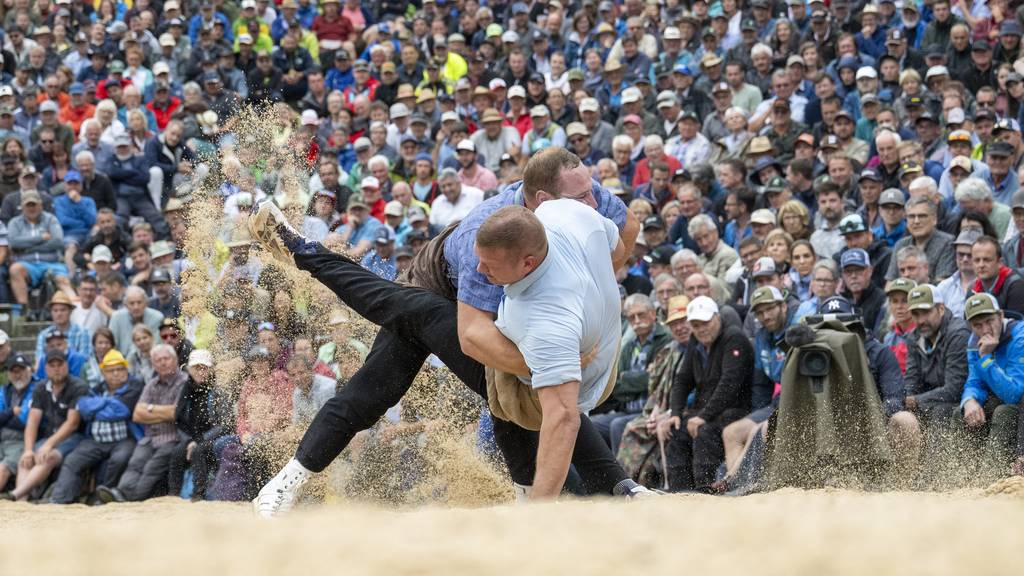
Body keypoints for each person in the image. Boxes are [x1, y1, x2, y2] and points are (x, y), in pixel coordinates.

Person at [247, 148, 644, 517]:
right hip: (440, 288)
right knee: (380, 387)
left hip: (508, 294)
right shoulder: (484, 250)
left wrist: (595, 273)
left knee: (519, 393)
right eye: (583, 201)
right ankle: (288, 480)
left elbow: (627, 227)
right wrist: (542, 362)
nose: (593, 206)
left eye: (591, 196)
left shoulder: (582, 200)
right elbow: (473, 334)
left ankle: (604, 487)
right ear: (543, 201)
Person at [659, 296, 754, 492]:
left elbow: (730, 384)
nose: (701, 328)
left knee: (704, 432)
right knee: (676, 431)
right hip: (706, 410)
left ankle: (706, 490)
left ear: (717, 318)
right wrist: (675, 413)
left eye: (705, 322)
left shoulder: (734, 338)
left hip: (735, 409)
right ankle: (681, 492)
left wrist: (703, 416)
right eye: (695, 324)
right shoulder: (696, 340)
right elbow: (683, 379)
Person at [48, 350, 143, 504]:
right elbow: (84, 410)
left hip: (124, 439)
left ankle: (103, 496)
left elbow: (122, 412)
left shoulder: (134, 386)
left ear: (126, 370)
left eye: (120, 369)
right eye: (111, 371)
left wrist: (98, 405)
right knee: (73, 460)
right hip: (95, 440)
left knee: (120, 458)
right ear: (103, 373)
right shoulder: (98, 389)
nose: (116, 374)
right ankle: (59, 499)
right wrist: (107, 403)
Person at [98, 345, 186, 503]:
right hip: (149, 438)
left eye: (166, 359)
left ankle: (130, 498)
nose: (163, 363)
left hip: (173, 437)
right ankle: (120, 492)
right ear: (153, 364)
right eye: (158, 360)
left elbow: (175, 413)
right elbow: (137, 415)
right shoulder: (151, 384)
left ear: (175, 360)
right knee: (135, 463)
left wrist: (150, 409)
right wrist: (163, 413)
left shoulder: (184, 382)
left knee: (151, 468)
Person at [1, 349, 88, 501]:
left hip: (74, 437)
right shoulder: (41, 387)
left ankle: (15, 495)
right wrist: (28, 450)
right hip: (48, 436)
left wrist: (48, 445)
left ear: (66, 366)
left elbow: (72, 424)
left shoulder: (78, 386)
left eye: (59, 364)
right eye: (52, 365)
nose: (56, 369)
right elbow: (32, 421)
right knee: (25, 459)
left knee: (48, 457)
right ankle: (22, 503)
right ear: (45, 368)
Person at [591, 293, 670, 453]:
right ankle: (595, 476)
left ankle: (621, 476)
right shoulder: (628, 347)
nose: (637, 321)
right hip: (626, 408)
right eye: (631, 317)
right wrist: (634, 379)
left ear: (653, 314)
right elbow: (615, 384)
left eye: (640, 315)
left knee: (618, 425)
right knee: (591, 425)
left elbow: (657, 380)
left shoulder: (665, 340)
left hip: (650, 410)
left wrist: (627, 378)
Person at [960, 293, 1024, 476]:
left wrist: (986, 359)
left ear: (1001, 315)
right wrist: (970, 400)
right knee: (963, 413)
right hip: (1002, 398)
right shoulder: (974, 342)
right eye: (977, 325)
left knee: (1003, 412)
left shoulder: (1020, 336)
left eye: (989, 321)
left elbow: (1015, 394)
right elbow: (974, 381)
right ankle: (961, 476)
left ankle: (988, 478)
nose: (985, 330)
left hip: (1019, 404)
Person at [167, 350, 233, 502]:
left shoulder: (218, 391)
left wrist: (197, 441)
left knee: (198, 451)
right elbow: (179, 420)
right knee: (177, 452)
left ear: (211, 369)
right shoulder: (185, 389)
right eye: (196, 367)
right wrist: (190, 441)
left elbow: (223, 425)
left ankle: (198, 495)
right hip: (192, 437)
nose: (200, 371)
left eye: (204, 367)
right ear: (189, 369)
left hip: (214, 437)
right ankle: (173, 495)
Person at [904, 285, 971, 425]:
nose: (921, 320)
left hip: (964, 400)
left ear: (941, 309)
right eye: (916, 314)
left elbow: (955, 388)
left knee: (940, 412)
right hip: (932, 400)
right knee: (900, 413)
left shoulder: (958, 334)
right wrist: (906, 400)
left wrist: (916, 400)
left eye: (926, 312)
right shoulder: (913, 338)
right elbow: (912, 381)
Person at [0, 354, 36, 494]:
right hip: (3, 437)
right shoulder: (4, 390)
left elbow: (24, 420)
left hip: (22, 439)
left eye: (21, 370)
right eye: (13, 371)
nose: (17, 375)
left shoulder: (37, 388)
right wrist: (11, 412)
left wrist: (5, 418)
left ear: (29, 370)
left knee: (3, 468)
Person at [968, 235, 1024, 315]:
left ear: (1000, 263)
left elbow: (1017, 325)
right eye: (977, 260)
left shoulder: (1015, 286)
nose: (981, 265)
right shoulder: (972, 290)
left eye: (987, 260)